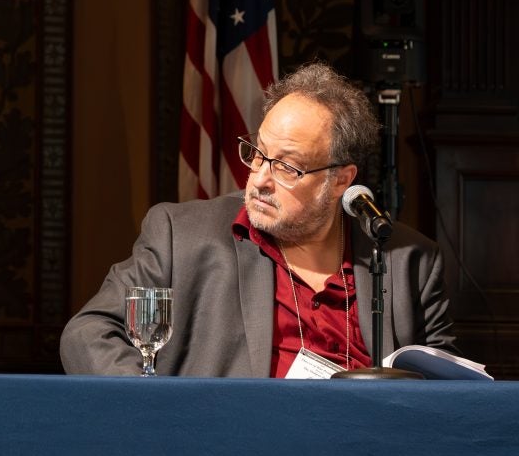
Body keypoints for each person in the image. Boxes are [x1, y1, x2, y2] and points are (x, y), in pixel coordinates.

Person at [60, 63, 458, 377]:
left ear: (341, 180)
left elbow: (446, 390)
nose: (260, 179)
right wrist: (156, 409)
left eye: (287, 167)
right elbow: (88, 332)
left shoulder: (409, 261)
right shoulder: (180, 235)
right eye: (258, 153)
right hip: (232, 446)